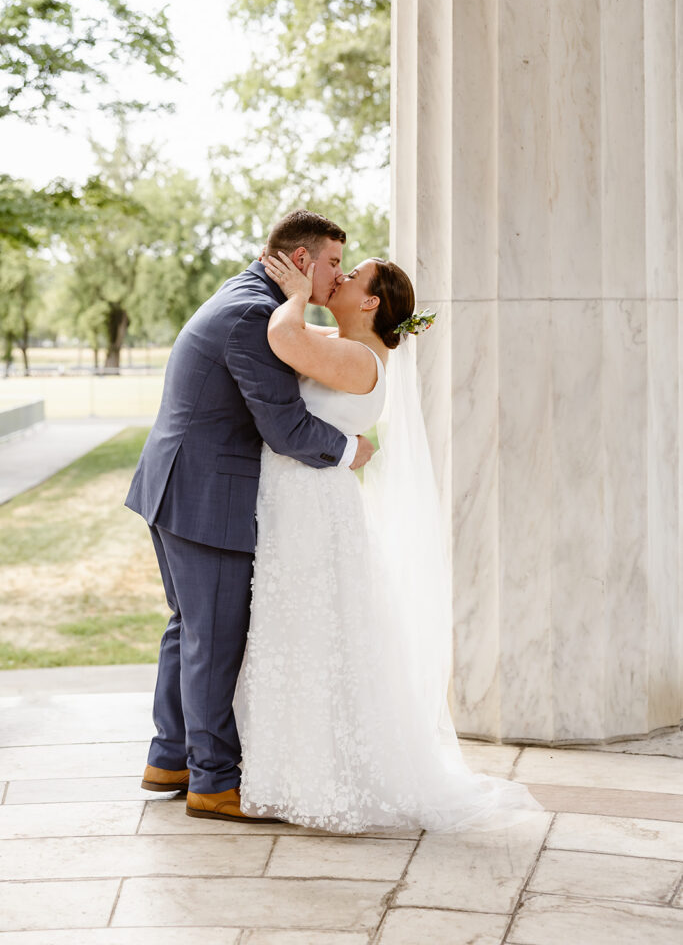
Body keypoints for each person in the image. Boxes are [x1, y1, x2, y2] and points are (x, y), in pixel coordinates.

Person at [230, 251, 545, 833]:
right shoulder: (344, 343)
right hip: (294, 497)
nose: (341, 278)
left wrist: (296, 291)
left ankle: (314, 778)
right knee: (292, 629)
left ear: (371, 303)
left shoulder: (359, 357)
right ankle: (282, 770)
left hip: (311, 506)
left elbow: (285, 339)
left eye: (353, 277)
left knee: (310, 630)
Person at [125, 210, 375, 823]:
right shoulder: (253, 314)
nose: (337, 273)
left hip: (179, 485)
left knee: (189, 627)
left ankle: (170, 757)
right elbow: (285, 425)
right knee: (213, 636)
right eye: (333, 262)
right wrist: (350, 450)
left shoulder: (252, 297)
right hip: (205, 494)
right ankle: (212, 782)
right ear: (298, 260)